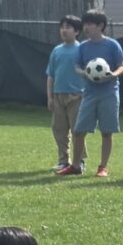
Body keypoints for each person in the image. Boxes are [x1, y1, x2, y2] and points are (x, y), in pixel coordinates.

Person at [61, 11, 123, 178]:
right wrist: (83, 73)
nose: (86, 27)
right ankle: (76, 166)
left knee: (106, 132)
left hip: (109, 93)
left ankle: (103, 167)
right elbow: (77, 66)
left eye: (90, 24)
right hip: (89, 94)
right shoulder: (83, 47)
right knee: (79, 131)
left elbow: (122, 66)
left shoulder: (112, 45)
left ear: (100, 26)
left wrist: (113, 74)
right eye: (85, 24)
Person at [46, 15, 85, 174]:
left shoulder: (82, 49)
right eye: (62, 27)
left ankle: (79, 161)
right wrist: (50, 97)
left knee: (77, 130)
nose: (64, 30)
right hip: (58, 95)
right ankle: (63, 161)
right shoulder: (56, 51)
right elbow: (50, 75)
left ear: (77, 31)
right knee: (59, 129)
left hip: (77, 96)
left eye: (68, 27)